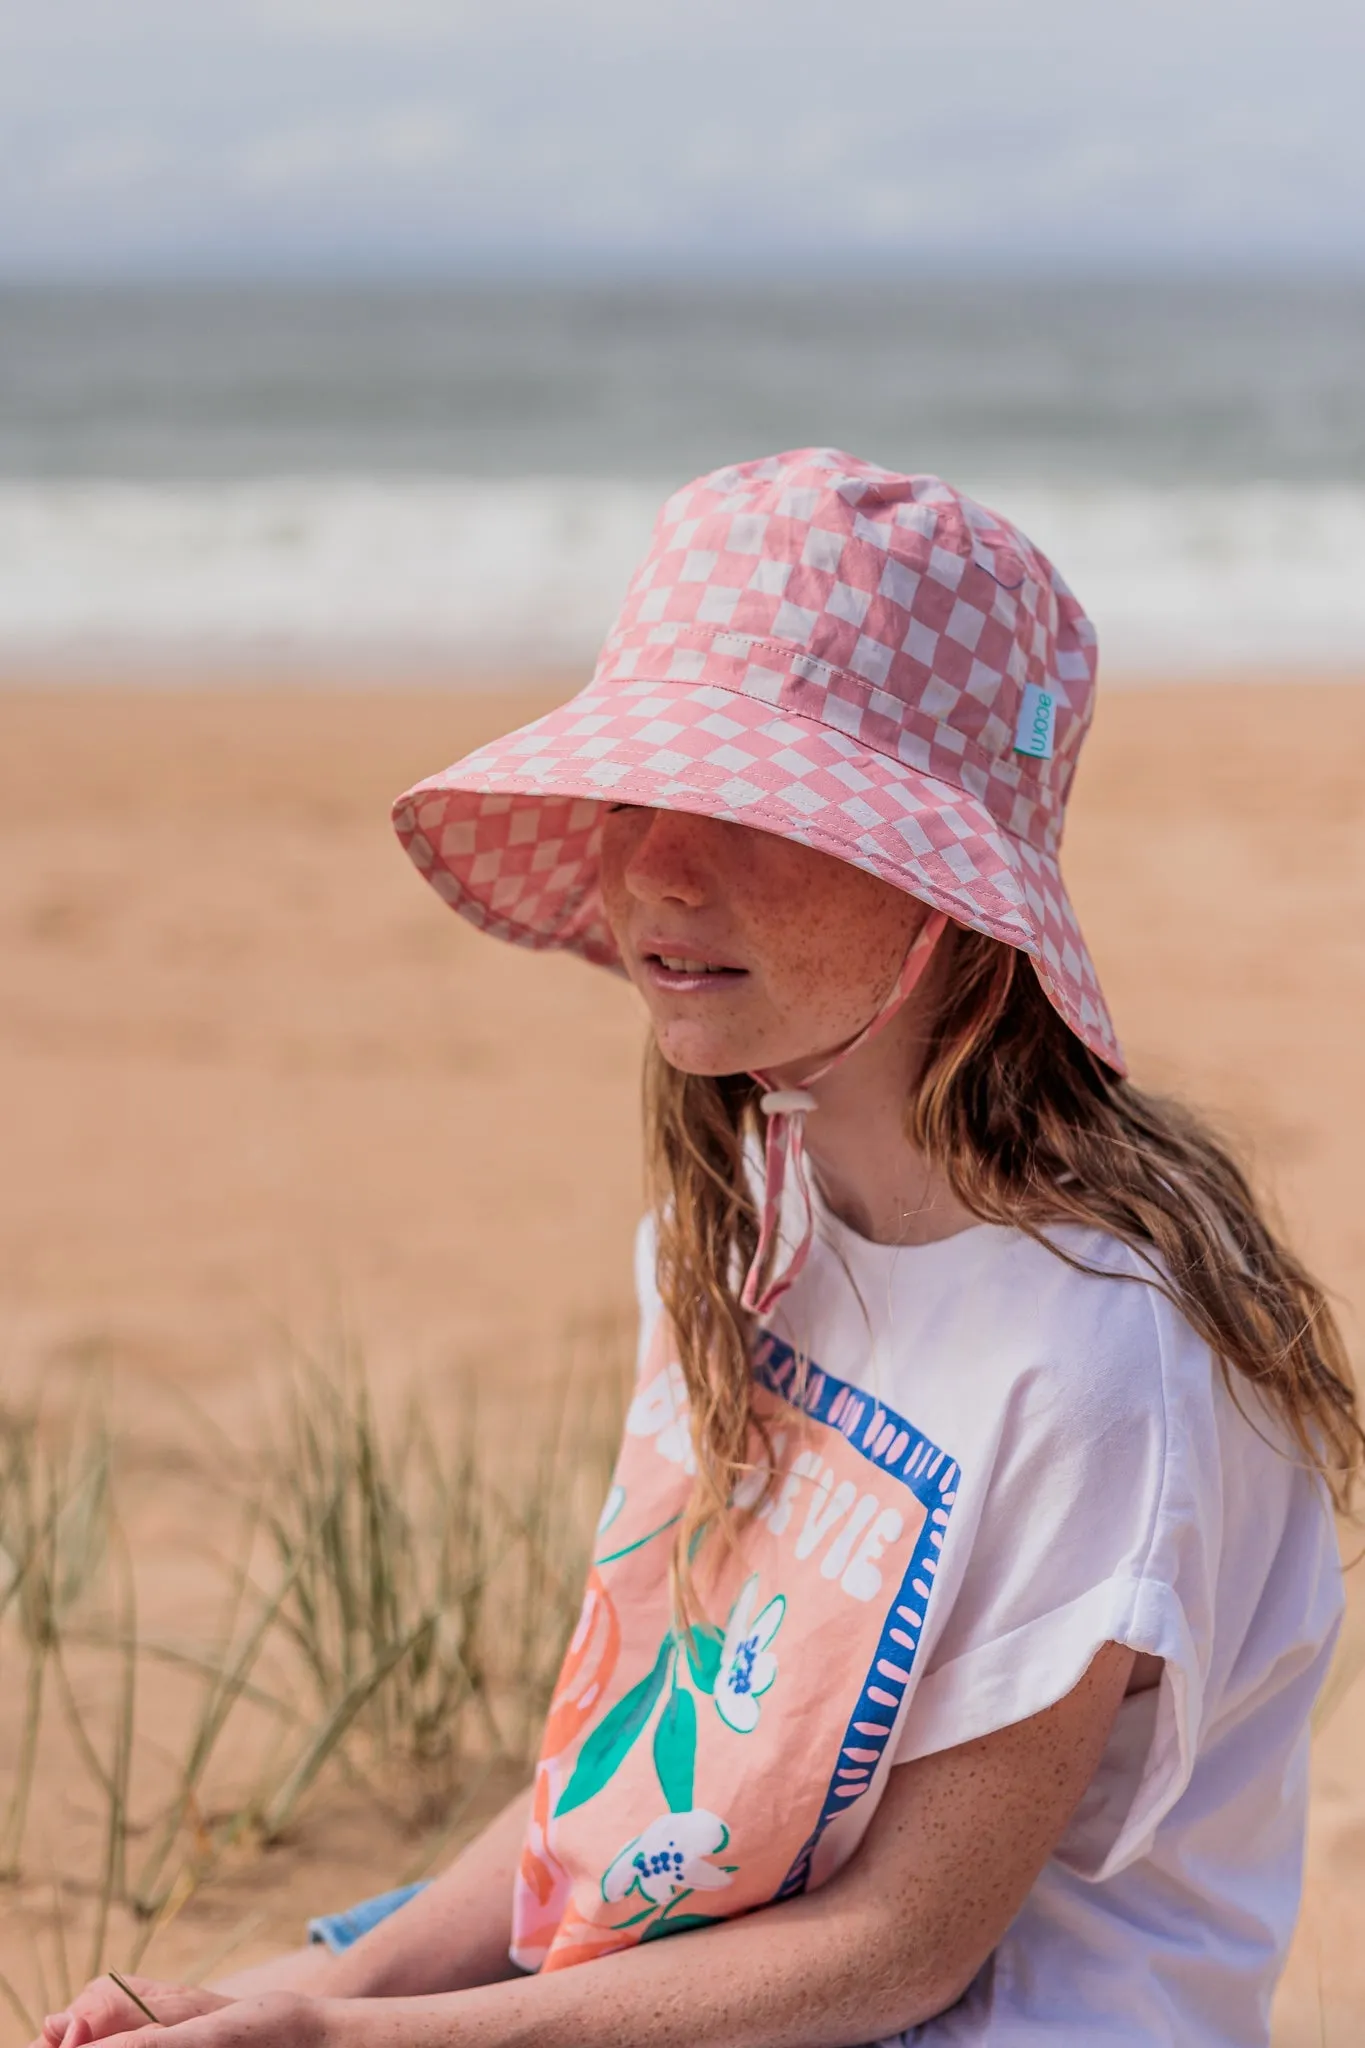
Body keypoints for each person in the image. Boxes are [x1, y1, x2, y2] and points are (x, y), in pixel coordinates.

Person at [42, 450, 1359, 2047]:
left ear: (946, 888)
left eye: (751, 807)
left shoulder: (1098, 1356)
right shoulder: (745, 1207)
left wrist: (340, 2040)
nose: (659, 866)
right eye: (634, 793)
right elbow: (644, 1747)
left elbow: (899, 1950)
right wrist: (338, 1979)